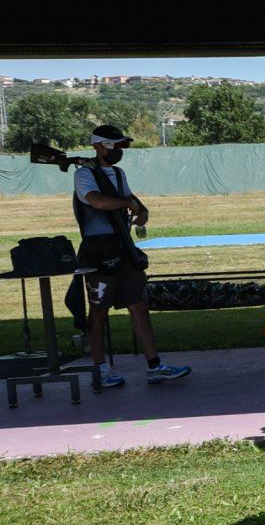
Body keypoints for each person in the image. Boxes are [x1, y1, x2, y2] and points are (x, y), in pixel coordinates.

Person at [70, 124, 191, 388]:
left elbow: (130, 198)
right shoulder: (83, 174)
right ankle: (100, 370)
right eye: (113, 145)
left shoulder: (118, 173)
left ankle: (154, 366)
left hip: (123, 248)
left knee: (139, 306)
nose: (118, 150)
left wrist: (141, 209)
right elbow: (97, 201)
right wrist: (128, 204)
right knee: (98, 313)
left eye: (120, 145)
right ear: (97, 146)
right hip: (98, 252)